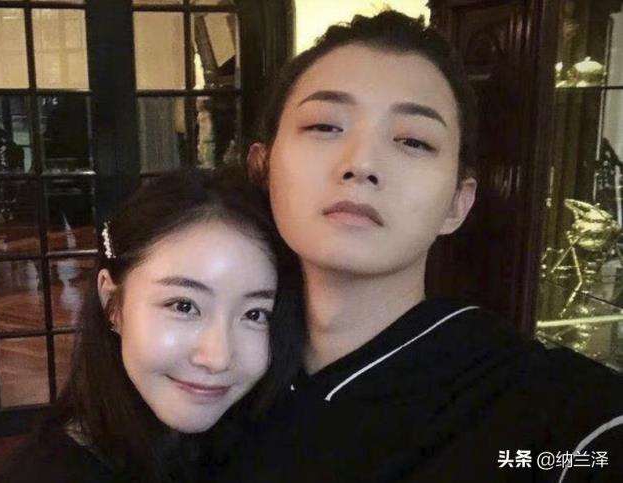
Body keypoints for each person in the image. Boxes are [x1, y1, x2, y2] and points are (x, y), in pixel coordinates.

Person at [212, 10, 623, 483]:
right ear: (262, 167)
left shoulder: (547, 413)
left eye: (412, 141)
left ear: (458, 203)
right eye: (325, 126)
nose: (361, 163)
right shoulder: (210, 367)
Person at [0, 168, 304, 483]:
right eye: (183, 306)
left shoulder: (253, 442)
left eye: (254, 314)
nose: (218, 358)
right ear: (112, 304)